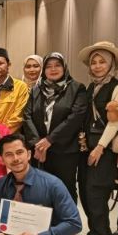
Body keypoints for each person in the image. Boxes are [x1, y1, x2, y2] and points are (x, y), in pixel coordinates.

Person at [76, 41, 118, 235]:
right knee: (85, 192)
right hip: (86, 147)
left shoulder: (117, 88)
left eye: (102, 62)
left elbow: (116, 122)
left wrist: (99, 147)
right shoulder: (92, 87)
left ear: (111, 64)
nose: (97, 66)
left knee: (97, 192)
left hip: (102, 149)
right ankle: (94, 233)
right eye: (94, 62)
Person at [23, 53, 87, 201]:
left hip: (65, 151)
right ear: (44, 70)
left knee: (65, 190)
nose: (53, 69)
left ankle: (67, 217)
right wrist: (38, 145)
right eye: (49, 66)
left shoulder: (77, 88)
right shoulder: (36, 89)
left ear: (64, 67)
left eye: (57, 65)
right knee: (40, 191)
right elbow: (27, 116)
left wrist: (50, 140)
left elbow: (75, 117)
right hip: (39, 151)